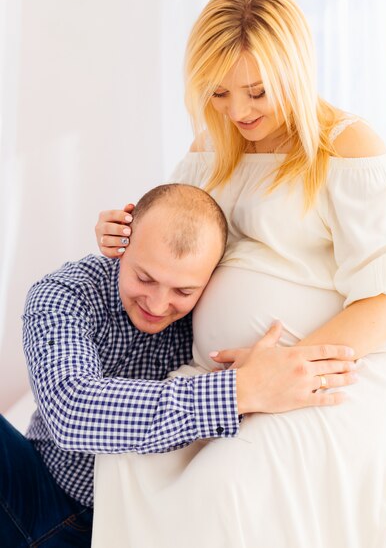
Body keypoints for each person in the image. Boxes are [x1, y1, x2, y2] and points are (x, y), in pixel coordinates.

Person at [93, 0, 386, 548]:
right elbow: (173, 228)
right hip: (231, 378)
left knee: (231, 482)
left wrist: (289, 366)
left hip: (338, 372)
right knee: (127, 462)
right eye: (218, 93)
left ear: (294, 70)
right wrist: (121, 231)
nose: (238, 112)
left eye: (258, 92)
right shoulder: (210, 147)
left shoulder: (348, 150)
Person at [0, 184, 355, 548]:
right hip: (43, 491)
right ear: (122, 246)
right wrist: (239, 391)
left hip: (141, 520)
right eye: (144, 278)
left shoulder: (211, 312)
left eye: (183, 292)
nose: (157, 303)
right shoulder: (62, 295)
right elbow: (72, 411)